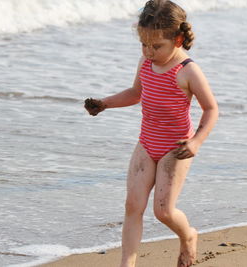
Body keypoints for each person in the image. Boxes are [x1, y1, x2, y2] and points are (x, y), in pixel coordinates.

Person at [84, 0, 218, 266]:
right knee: (133, 205)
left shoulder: (187, 70)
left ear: (178, 39)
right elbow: (136, 94)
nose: (148, 52)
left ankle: (188, 236)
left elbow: (211, 109)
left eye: (156, 46)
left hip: (176, 148)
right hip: (146, 144)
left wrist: (196, 142)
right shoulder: (145, 63)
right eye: (144, 44)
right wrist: (105, 103)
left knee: (163, 212)